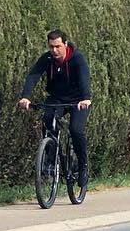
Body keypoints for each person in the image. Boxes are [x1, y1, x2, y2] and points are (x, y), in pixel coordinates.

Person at [18, 29, 93, 188]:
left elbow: (84, 78)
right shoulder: (47, 59)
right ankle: (51, 159)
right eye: (51, 46)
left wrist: (86, 98)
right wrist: (26, 96)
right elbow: (33, 75)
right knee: (47, 119)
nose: (54, 50)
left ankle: (82, 166)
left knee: (75, 130)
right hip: (57, 98)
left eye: (58, 46)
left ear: (65, 44)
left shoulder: (77, 59)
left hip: (78, 101)